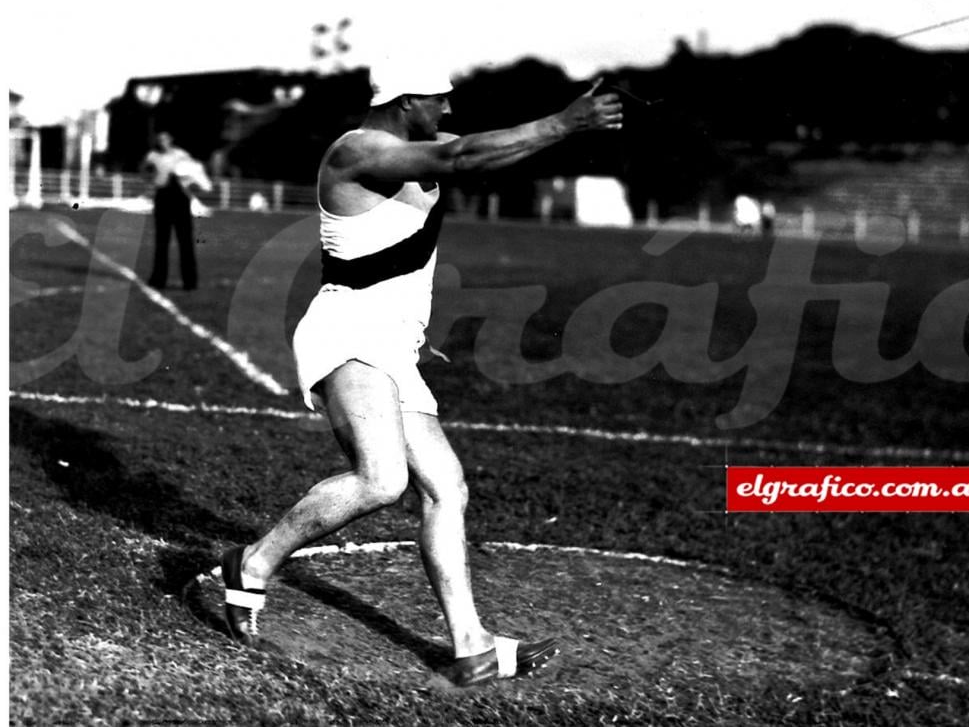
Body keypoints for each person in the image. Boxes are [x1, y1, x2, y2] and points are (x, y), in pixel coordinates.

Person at [221, 60, 622, 687]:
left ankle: (472, 648)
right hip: (349, 333)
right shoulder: (361, 152)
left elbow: (482, 152)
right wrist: (564, 123)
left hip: (390, 340)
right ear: (406, 102)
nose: (449, 112)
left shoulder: (411, 145)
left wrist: (563, 120)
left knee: (445, 486)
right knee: (382, 480)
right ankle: (251, 563)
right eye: (440, 101)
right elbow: (463, 157)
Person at [141, 132, 209, 290]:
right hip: (162, 195)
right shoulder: (152, 156)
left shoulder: (181, 155)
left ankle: (190, 282)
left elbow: (195, 172)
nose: (161, 142)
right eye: (159, 139)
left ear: (170, 140)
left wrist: (191, 183)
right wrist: (149, 175)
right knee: (161, 241)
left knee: (185, 240)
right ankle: (158, 279)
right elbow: (143, 172)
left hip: (180, 196)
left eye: (164, 139)